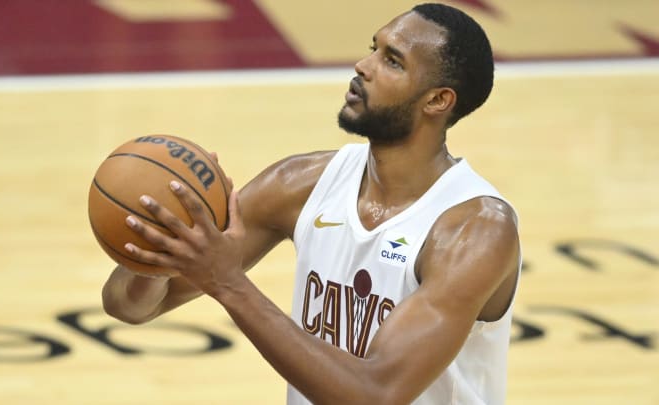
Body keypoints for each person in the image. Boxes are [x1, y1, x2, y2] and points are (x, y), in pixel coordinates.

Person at [102, 3, 521, 404]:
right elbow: (129, 305)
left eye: (393, 61)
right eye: (373, 48)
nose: (364, 66)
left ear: (437, 101)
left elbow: (374, 395)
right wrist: (163, 243)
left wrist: (228, 282)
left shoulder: (475, 230)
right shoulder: (300, 183)